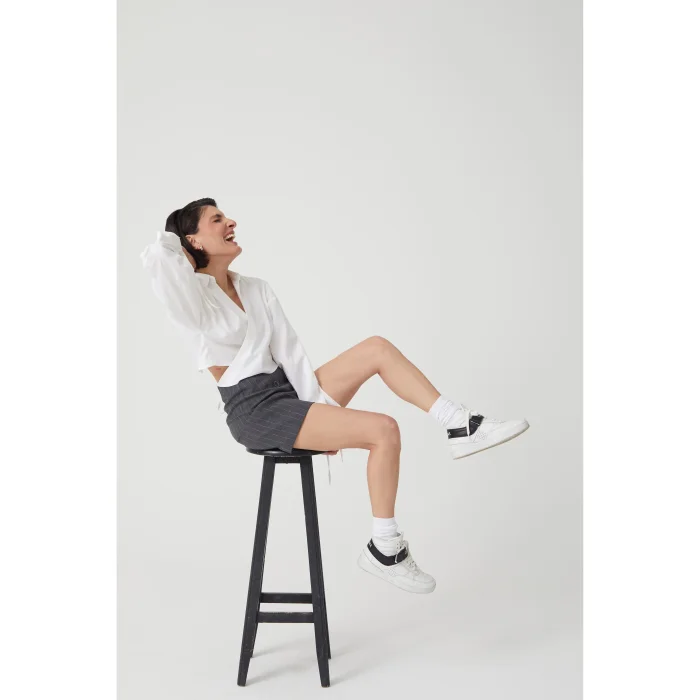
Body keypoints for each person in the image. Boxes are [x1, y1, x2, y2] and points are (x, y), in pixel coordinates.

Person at [141, 197, 530, 595]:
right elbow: (158, 258)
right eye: (217, 219)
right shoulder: (191, 297)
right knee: (384, 429)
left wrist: (318, 414)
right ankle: (386, 548)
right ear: (193, 239)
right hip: (253, 410)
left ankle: (460, 424)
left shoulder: (255, 288)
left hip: (287, 391)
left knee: (377, 348)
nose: (231, 222)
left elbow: (291, 354)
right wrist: (177, 243)